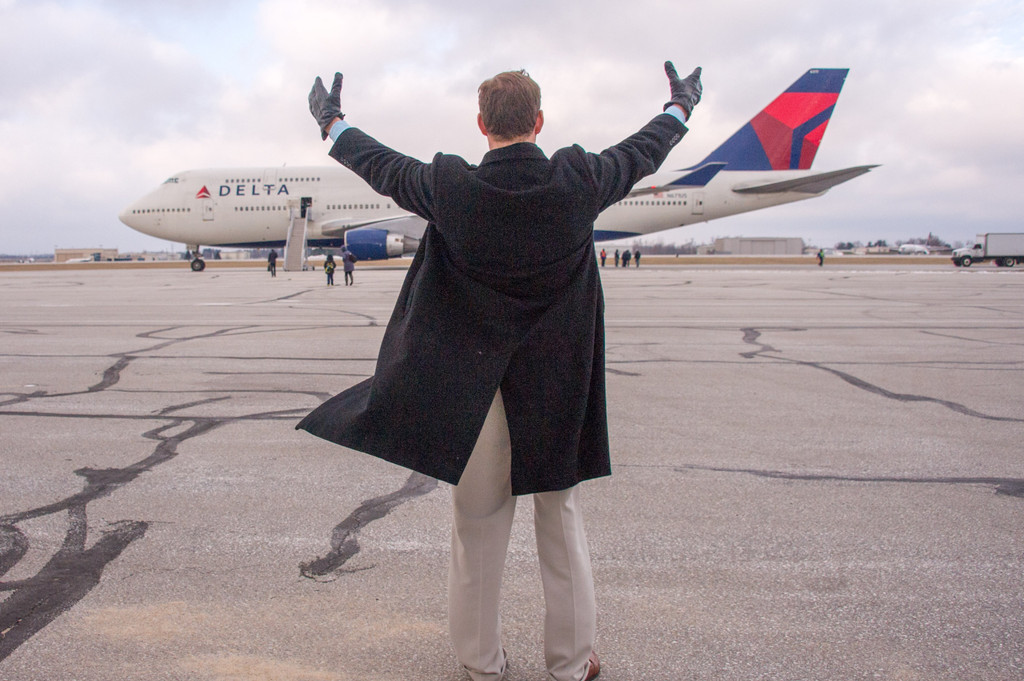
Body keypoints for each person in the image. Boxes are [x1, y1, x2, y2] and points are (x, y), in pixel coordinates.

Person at [298, 61, 702, 681]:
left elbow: (376, 163)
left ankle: (481, 664)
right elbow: (645, 150)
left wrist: (331, 122)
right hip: (557, 387)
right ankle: (570, 665)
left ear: (481, 125)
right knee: (559, 520)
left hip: (474, 388)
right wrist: (681, 106)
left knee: (477, 526)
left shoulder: (450, 186)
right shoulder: (580, 179)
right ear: (539, 123)